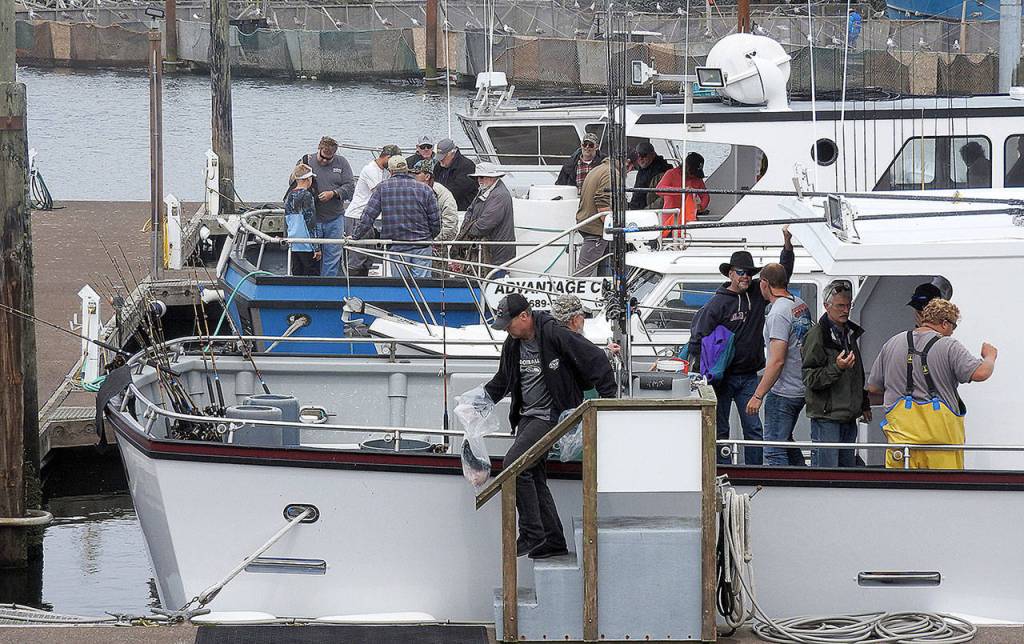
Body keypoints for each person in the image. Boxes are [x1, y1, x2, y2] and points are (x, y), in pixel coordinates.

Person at [484, 293, 617, 558]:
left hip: (552, 415)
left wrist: (609, 402)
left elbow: (596, 360)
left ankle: (532, 533)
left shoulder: (553, 332)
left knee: (514, 466)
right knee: (532, 473)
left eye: (509, 324)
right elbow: (503, 380)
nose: (507, 331)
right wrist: (479, 402)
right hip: (527, 416)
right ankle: (553, 540)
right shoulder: (513, 343)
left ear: (525, 316)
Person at [686, 227, 795, 465]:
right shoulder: (716, 304)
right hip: (722, 379)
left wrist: (787, 246)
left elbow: (783, 274)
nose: (745, 276)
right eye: (740, 272)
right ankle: (723, 472)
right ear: (730, 274)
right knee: (721, 431)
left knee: (754, 430)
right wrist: (694, 371)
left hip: (749, 377)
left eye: (749, 273)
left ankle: (757, 472)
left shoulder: (758, 291)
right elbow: (698, 338)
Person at [867, 299, 997, 469]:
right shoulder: (948, 345)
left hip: (902, 444)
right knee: (943, 492)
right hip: (941, 445)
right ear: (944, 323)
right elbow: (981, 373)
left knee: (900, 492)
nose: (952, 332)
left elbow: (874, 387)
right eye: (953, 326)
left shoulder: (892, 343)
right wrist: (990, 356)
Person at [746, 262, 811, 466]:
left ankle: (784, 491)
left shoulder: (777, 313)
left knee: (774, 449)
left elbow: (777, 360)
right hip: (801, 387)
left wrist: (758, 395)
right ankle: (804, 480)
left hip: (783, 391)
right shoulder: (799, 304)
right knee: (787, 443)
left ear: (765, 283)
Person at [801, 281, 870, 468]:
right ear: (826, 306)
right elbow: (809, 378)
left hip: (848, 417)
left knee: (846, 475)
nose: (845, 310)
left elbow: (857, 374)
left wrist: (864, 403)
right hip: (827, 418)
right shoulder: (817, 335)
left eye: (848, 305)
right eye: (840, 306)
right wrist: (837, 367)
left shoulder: (849, 333)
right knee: (826, 473)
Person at [352, 156, 440, 279]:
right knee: (423, 285)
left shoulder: (382, 188)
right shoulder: (425, 189)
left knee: (401, 286)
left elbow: (368, 217)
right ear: (407, 170)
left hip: (397, 245)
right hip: (422, 245)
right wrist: (430, 236)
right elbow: (436, 220)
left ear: (390, 171)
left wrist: (355, 236)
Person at [299, 136, 355, 277]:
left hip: (335, 218)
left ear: (335, 154)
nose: (324, 161)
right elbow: (295, 182)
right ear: (318, 148)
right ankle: (310, 286)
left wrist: (334, 193)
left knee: (332, 257)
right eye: (322, 157)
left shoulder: (342, 163)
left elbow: (350, 187)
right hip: (313, 218)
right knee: (311, 256)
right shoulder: (307, 161)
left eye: (328, 159)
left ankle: (328, 285)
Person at [344, 144, 401, 276]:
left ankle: (364, 283)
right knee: (357, 257)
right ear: (387, 157)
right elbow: (379, 192)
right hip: (357, 216)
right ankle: (352, 285)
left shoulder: (385, 172)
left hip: (370, 217)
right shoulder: (370, 169)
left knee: (368, 258)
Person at [453, 162, 516, 274]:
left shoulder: (500, 195)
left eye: (481, 177)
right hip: (488, 251)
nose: (479, 180)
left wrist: (467, 232)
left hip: (496, 254)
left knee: (493, 281)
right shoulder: (486, 191)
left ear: (492, 177)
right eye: (477, 177)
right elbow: (470, 211)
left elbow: (485, 224)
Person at [573, 156, 617, 277]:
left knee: (592, 268)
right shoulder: (611, 173)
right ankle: (571, 294)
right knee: (583, 271)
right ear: (627, 163)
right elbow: (603, 202)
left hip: (586, 224)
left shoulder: (598, 169)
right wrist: (612, 227)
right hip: (597, 230)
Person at [550, 293, 620, 359]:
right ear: (575, 320)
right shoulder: (569, 342)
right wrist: (606, 353)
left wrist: (606, 351)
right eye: (583, 316)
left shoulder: (550, 339)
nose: (584, 319)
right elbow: (584, 359)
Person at [655, 152, 709, 232]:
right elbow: (659, 189)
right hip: (669, 220)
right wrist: (682, 190)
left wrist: (701, 206)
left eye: (696, 173)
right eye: (692, 172)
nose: (693, 176)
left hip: (688, 220)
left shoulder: (698, 179)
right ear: (686, 167)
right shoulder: (671, 174)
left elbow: (705, 196)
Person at [283, 164, 321, 276]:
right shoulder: (307, 196)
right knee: (311, 276)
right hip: (307, 245)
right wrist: (317, 247)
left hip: (293, 243)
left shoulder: (289, 195)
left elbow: (286, 220)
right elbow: (310, 222)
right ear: (307, 179)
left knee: (297, 274)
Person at [412, 159, 459, 243]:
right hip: (417, 241)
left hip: (438, 244)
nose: (413, 176)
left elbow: (450, 225)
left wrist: (435, 241)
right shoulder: (413, 191)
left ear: (427, 177)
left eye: (417, 173)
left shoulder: (443, 194)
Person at [433, 138, 478, 211]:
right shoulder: (439, 166)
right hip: (442, 206)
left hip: (462, 209)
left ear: (452, 153)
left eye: (443, 157)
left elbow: (457, 190)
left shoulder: (467, 166)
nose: (440, 160)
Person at [628, 141, 671, 210]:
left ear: (653, 154)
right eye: (637, 156)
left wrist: (647, 210)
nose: (640, 158)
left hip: (649, 213)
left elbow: (665, 198)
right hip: (637, 210)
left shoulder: (663, 171)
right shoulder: (643, 168)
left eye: (643, 155)